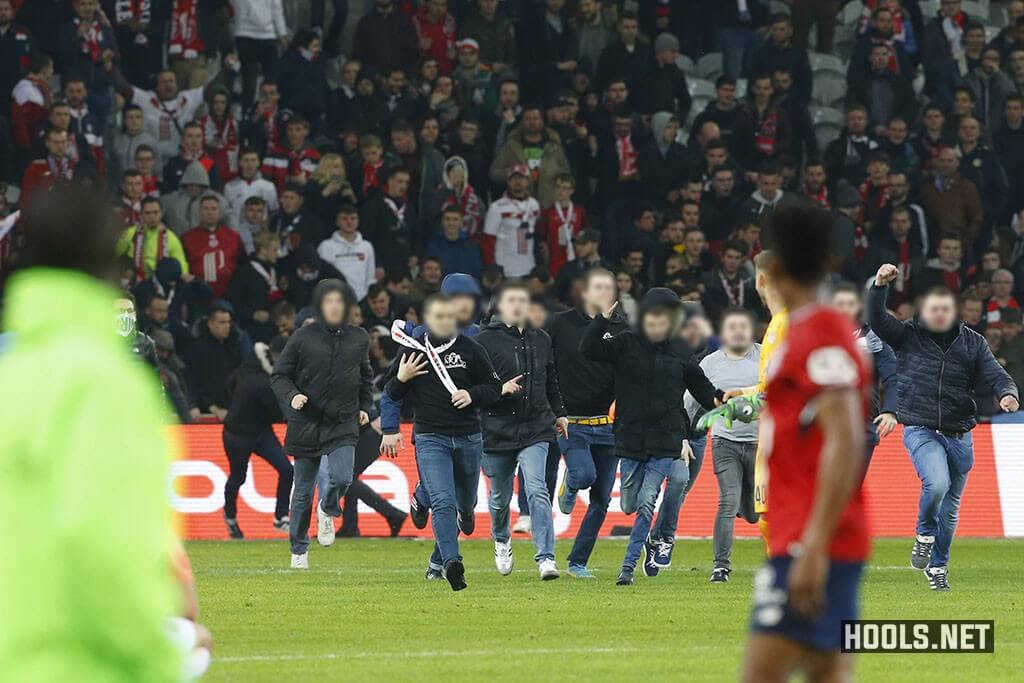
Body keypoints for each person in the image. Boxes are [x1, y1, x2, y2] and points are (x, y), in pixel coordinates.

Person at [0, 184, 180, 679]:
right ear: (107, 264)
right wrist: (166, 659)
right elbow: (109, 552)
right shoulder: (104, 383)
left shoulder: (8, 370)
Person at [741, 204, 870, 681]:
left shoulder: (822, 336)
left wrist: (813, 546)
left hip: (814, 542)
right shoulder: (803, 330)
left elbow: (846, 441)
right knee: (828, 672)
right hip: (813, 536)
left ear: (772, 270)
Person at [869, 264, 1018, 590]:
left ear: (954, 312)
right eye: (934, 309)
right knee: (935, 484)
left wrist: (1007, 393)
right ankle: (923, 532)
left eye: (945, 309)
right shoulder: (907, 335)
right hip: (921, 429)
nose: (939, 314)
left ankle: (938, 568)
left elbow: (995, 375)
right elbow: (877, 321)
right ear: (924, 311)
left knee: (950, 514)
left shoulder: (973, 342)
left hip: (960, 434)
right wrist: (879, 286)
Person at [581, 287, 722, 585]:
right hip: (631, 438)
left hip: (666, 437)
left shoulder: (680, 349)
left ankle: (641, 556)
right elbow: (589, 350)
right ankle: (648, 537)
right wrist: (600, 322)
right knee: (630, 504)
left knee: (650, 500)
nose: (658, 325)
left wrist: (722, 402)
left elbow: (701, 386)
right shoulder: (625, 343)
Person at [383, 294, 502, 590]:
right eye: (438, 317)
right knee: (444, 502)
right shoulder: (413, 351)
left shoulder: (471, 350)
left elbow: (494, 387)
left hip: (469, 437)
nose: (445, 322)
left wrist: (472, 395)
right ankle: (451, 562)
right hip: (430, 437)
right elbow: (390, 392)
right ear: (427, 319)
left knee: (465, 502)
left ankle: (421, 496)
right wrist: (401, 380)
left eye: (449, 317)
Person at [271, 279, 373, 569]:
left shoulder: (359, 337)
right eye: (329, 301)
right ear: (320, 305)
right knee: (302, 490)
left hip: (343, 420)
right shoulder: (303, 337)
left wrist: (365, 406)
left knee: (342, 478)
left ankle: (328, 507)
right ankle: (299, 549)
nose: (335, 306)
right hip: (307, 421)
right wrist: (292, 397)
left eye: (340, 302)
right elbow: (279, 375)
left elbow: (365, 375)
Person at [475, 282, 569, 580]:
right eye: (511, 300)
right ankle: (502, 540)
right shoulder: (483, 341)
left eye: (522, 300)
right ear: (499, 306)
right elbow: (474, 387)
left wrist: (560, 413)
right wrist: (498, 390)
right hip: (496, 429)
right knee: (500, 499)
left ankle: (546, 558)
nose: (517, 305)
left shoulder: (541, 339)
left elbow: (551, 379)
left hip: (536, 427)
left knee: (538, 489)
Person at [548, 268, 628, 578]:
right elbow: (543, 363)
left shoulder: (622, 328)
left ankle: (577, 562)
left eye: (610, 287)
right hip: (572, 422)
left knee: (602, 499)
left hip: (607, 424)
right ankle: (570, 483)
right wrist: (552, 408)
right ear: (585, 291)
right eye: (598, 286)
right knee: (584, 474)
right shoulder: (560, 323)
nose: (604, 292)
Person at [685, 308, 761, 583]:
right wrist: (685, 434)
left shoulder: (766, 357)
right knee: (727, 501)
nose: (738, 331)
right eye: (732, 327)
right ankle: (720, 566)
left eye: (743, 326)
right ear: (723, 333)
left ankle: (747, 505)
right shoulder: (709, 364)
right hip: (724, 442)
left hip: (760, 445)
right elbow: (690, 401)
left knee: (754, 514)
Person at [222, 336, 294, 539]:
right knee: (238, 477)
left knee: (287, 470)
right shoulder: (265, 381)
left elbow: (230, 382)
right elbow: (276, 412)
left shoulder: (250, 364)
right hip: (238, 434)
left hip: (257, 431)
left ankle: (281, 517)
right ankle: (230, 518)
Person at [831, 282, 900, 471]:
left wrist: (890, 411)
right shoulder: (818, 337)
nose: (845, 309)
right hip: (825, 428)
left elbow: (893, 377)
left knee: (850, 493)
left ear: (859, 306)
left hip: (862, 429)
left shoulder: (873, 340)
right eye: (840, 304)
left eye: (850, 304)